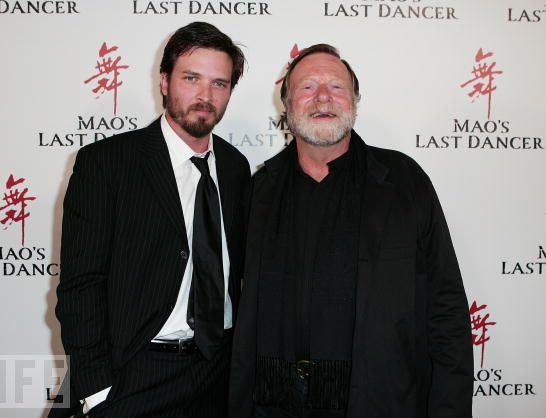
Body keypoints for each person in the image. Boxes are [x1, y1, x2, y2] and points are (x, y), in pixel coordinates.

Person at [229, 44, 473, 418]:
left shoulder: (404, 182)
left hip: (381, 403)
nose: (323, 97)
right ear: (287, 105)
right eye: (308, 86)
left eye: (337, 87)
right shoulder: (259, 189)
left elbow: (447, 311)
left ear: (355, 101)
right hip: (274, 404)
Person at [55, 22, 250, 418]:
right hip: (136, 373)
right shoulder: (107, 163)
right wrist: (96, 390)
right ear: (164, 81)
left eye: (219, 83)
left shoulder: (235, 167)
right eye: (191, 78)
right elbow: (79, 286)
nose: (205, 95)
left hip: (219, 374)